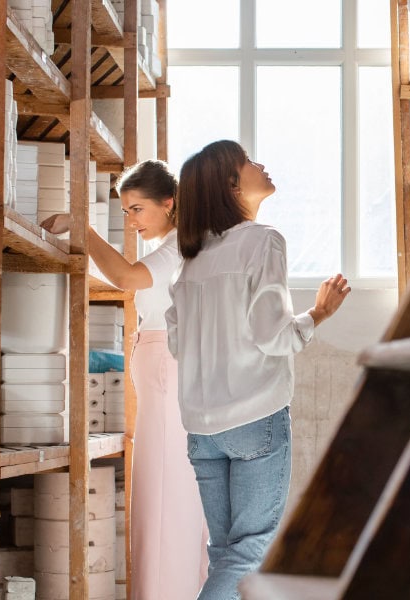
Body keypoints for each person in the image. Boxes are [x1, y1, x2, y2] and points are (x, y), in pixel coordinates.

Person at [167, 140, 350, 599]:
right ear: (230, 183)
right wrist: (320, 314)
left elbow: (177, 343)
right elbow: (273, 335)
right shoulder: (263, 240)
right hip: (253, 420)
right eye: (248, 162)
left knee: (228, 555)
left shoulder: (189, 264)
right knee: (248, 556)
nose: (261, 165)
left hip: (202, 430)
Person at [41, 160, 209, 600]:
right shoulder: (171, 248)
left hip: (166, 372)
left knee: (163, 488)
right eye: (125, 212)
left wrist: (84, 229)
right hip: (162, 372)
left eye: (136, 210)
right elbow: (123, 278)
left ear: (167, 204)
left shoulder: (177, 247)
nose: (130, 221)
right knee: (162, 484)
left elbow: (125, 278)